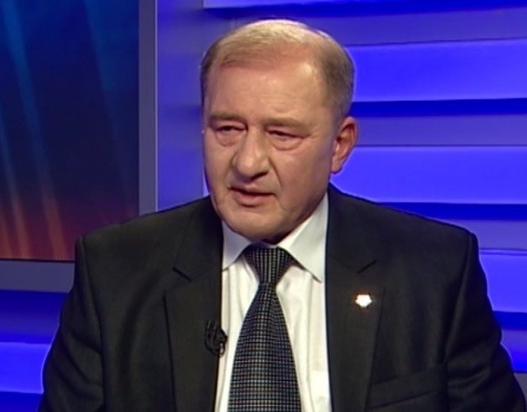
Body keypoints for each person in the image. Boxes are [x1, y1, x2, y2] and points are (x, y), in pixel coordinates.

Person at [40, 19, 526, 411]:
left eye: (282, 134)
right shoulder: (116, 270)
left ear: (340, 145)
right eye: (227, 129)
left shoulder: (434, 272)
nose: (248, 162)